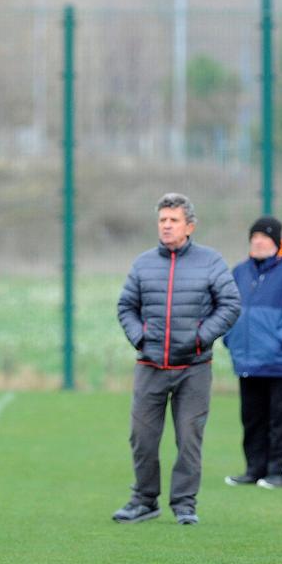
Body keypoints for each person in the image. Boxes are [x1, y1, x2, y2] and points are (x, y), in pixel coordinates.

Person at [114, 193, 240, 525]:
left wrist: (200, 337)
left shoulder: (211, 261)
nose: (167, 226)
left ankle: (184, 504)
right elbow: (125, 306)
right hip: (150, 366)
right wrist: (140, 337)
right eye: (162, 220)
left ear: (189, 226)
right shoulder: (142, 264)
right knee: (141, 438)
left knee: (189, 438)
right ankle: (144, 500)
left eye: (173, 220)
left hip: (194, 369)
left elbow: (229, 305)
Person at [221, 216, 282, 489]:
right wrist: (230, 338)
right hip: (247, 360)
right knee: (252, 418)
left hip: (280, 361)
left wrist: (280, 340)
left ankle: (278, 472)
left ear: (277, 241)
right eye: (254, 237)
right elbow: (228, 308)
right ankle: (253, 469)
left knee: (281, 420)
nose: (258, 242)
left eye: (264, 237)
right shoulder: (240, 271)